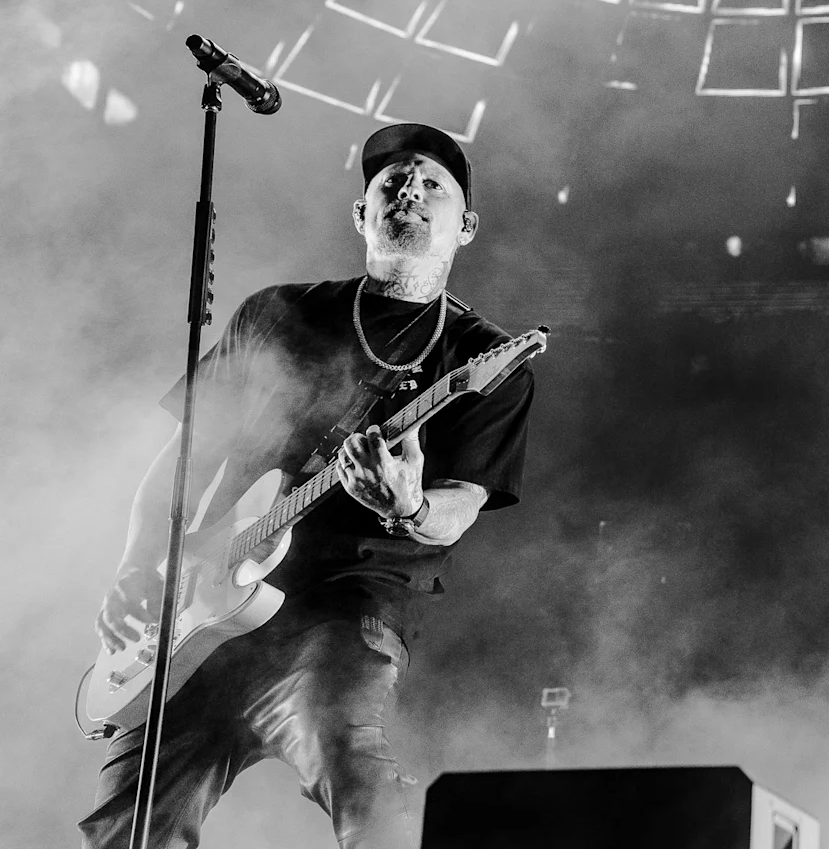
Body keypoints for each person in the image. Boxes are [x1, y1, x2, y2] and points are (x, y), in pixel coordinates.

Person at [79, 123, 536, 849]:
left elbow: (458, 511)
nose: (409, 189)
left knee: (351, 765)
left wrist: (410, 503)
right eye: (391, 181)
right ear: (362, 214)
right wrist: (138, 565)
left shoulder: (481, 358)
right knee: (125, 826)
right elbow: (182, 458)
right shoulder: (277, 314)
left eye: (432, 184)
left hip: (341, 610)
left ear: (466, 226)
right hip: (203, 615)